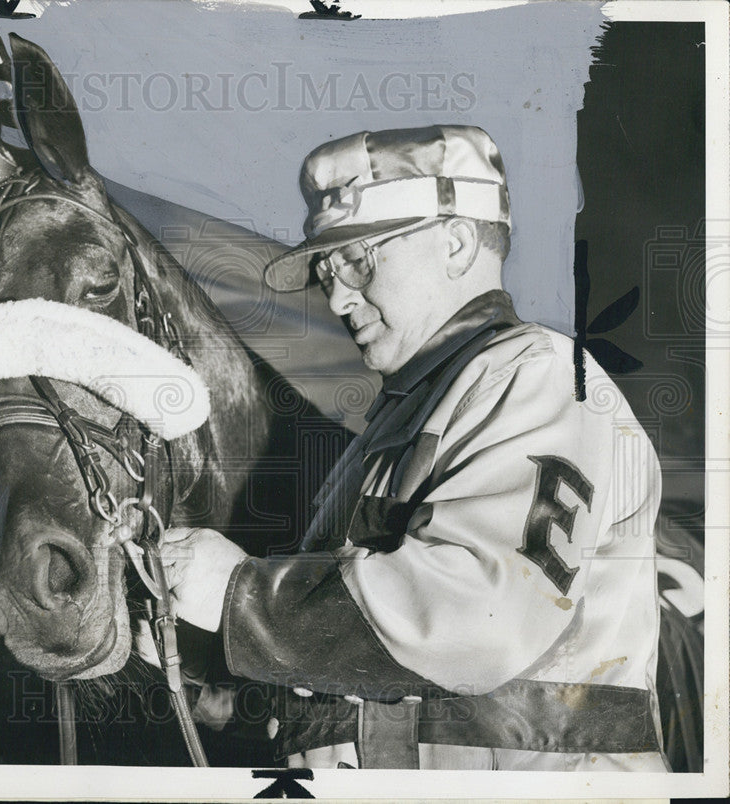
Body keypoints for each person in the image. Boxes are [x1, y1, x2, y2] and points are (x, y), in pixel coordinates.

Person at [160, 126, 668, 771]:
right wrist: (197, 645)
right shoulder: (394, 427)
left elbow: (483, 617)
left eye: (358, 261)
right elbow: (344, 678)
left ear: (455, 244)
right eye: (326, 271)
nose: (338, 297)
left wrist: (238, 594)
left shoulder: (536, 376)